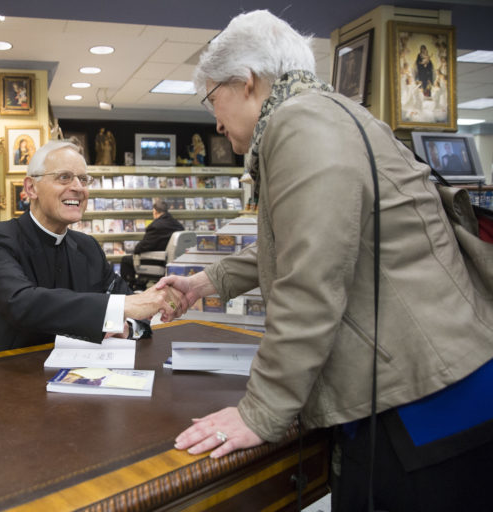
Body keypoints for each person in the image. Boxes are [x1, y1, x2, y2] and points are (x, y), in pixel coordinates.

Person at [155, 10, 493, 511]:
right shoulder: (334, 113)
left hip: (421, 408)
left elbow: (310, 280)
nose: (217, 122)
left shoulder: (299, 124)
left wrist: (258, 412)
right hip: (443, 383)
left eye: (213, 99)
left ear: (246, 82)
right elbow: (314, 238)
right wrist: (207, 281)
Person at [0, 140, 180, 355]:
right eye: (64, 177)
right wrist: (119, 307)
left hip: (79, 369)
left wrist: (128, 327)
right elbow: (21, 303)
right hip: (6, 368)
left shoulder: (88, 247)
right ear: (31, 188)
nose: (78, 188)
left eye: (83, 179)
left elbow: (138, 314)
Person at [119, 199, 184, 290]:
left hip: (157, 261)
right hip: (171, 262)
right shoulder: (178, 225)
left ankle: (129, 289)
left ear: (155, 211)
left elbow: (142, 247)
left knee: (126, 260)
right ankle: (139, 285)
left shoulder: (155, 226)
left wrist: (136, 248)